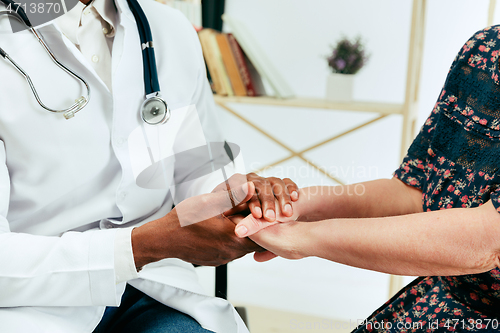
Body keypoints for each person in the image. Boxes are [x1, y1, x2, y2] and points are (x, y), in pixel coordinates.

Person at [0, 0, 299, 332]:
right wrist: (144, 243)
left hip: (153, 287)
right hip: (30, 305)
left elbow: (198, 167)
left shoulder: (167, 28)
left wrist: (236, 199)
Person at [232, 26, 500, 332]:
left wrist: (302, 239)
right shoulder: (484, 48)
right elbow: (414, 191)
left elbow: (487, 241)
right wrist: (299, 205)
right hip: (442, 304)